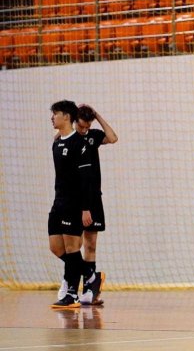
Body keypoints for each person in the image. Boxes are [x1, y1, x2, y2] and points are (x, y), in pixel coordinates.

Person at [48, 100, 102, 308]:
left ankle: (72, 294)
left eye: (56, 114)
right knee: (55, 247)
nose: (52, 117)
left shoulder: (79, 144)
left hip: (74, 204)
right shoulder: (56, 142)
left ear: (67, 117)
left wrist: (86, 208)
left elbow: (86, 180)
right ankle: (89, 275)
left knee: (72, 248)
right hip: (58, 202)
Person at [64, 104, 116, 305]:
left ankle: (90, 290)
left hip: (93, 198)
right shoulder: (68, 140)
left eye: (87, 126)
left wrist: (98, 115)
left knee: (90, 244)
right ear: (74, 121)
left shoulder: (92, 136)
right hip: (74, 200)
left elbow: (112, 138)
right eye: (81, 126)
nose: (84, 130)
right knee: (73, 245)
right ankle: (70, 289)